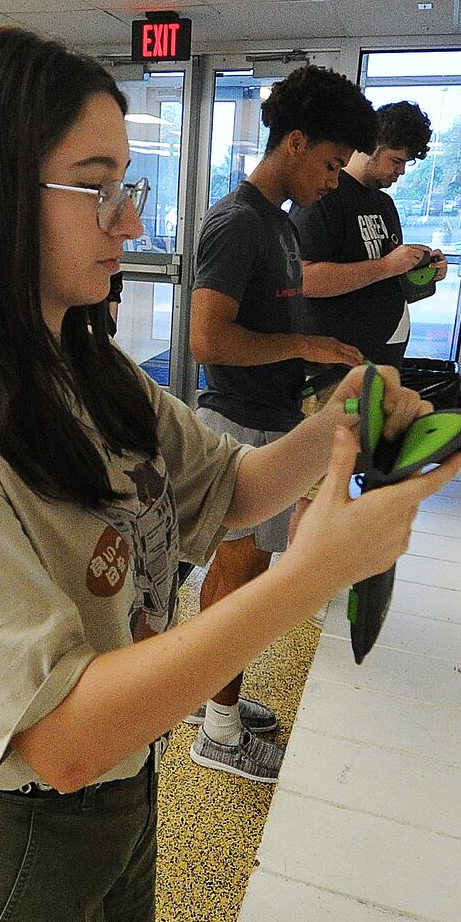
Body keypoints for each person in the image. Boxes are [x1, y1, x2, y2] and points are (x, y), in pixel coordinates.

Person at [0, 26, 460, 922]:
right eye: (95, 188)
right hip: (13, 837)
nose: (129, 221)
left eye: (125, 185)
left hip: (127, 784)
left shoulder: (86, 365)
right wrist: (309, 575)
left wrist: (337, 422)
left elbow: (228, 487)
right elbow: (57, 738)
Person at [184, 65, 374, 782]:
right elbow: (207, 338)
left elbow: (272, 319)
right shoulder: (239, 222)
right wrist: (300, 346)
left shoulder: (280, 223)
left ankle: (210, 698)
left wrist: (313, 361)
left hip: (267, 416)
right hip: (237, 423)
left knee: (242, 571)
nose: (334, 180)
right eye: (329, 163)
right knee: (239, 575)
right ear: (294, 143)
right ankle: (220, 731)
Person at [293, 101, 445, 373]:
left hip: (380, 360)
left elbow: (386, 277)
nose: (401, 171)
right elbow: (304, 279)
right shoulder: (324, 196)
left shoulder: (384, 203)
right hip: (332, 370)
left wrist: (423, 270)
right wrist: (388, 265)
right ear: (371, 145)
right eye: (396, 160)